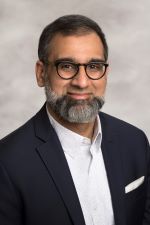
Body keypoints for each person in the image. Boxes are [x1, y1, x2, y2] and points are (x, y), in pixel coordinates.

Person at [0, 14, 149, 225]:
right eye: (67, 66)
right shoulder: (7, 162)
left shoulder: (135, 142)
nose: (81, 82)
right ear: (41, 73)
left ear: (106, 73)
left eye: (94, 66)